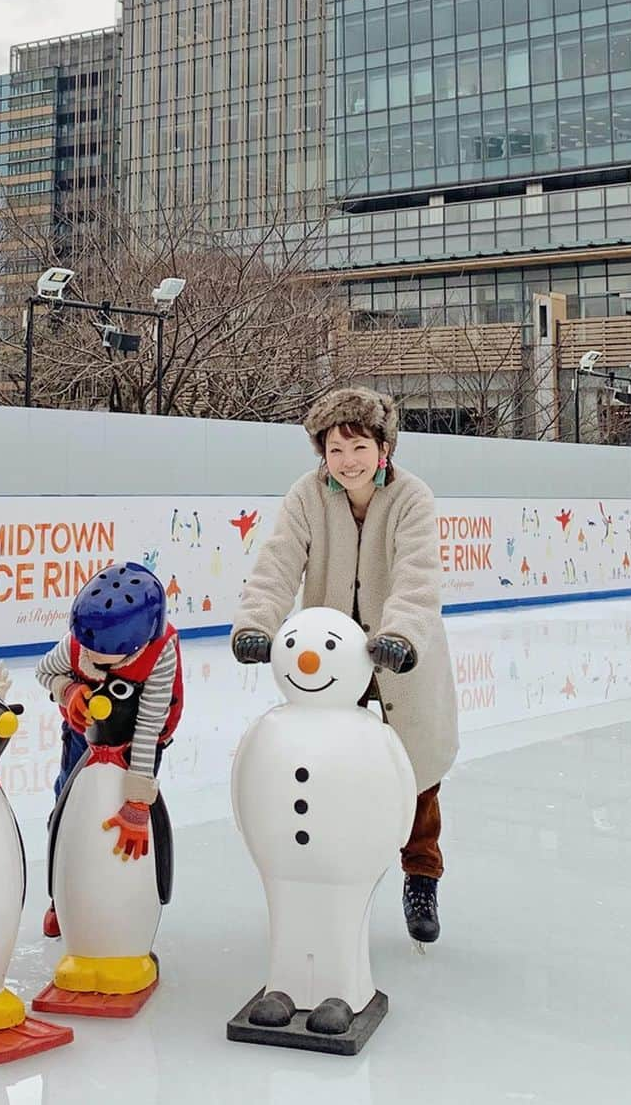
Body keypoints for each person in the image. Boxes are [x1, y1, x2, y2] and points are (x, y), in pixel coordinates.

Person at [231, 387, 458, 944]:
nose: (348, 460)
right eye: (335, 449)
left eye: (359, 446)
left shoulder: (411, 497)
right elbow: (278, 562)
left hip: (396, 659)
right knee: (328, 771)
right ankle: (329, 880)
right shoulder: (308, 496)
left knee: (416, 773)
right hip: (330, 664)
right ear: (322, 454)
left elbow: (417, 575)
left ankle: (420, 873)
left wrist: (401, 635)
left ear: (384, 447)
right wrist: (256, 622)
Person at [35, 562, 183, 937]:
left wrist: (137, 800)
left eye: (99, 655)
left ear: (133, 645)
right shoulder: (77, 644)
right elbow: (44, 671)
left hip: (137, 743)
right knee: (67, 812)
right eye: (83, 645)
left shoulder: (159, 653)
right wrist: (67, 691)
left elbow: (149, 725)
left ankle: (125, 897)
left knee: (129, 823)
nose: (85, 654)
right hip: (83, 738)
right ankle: (61, 897)